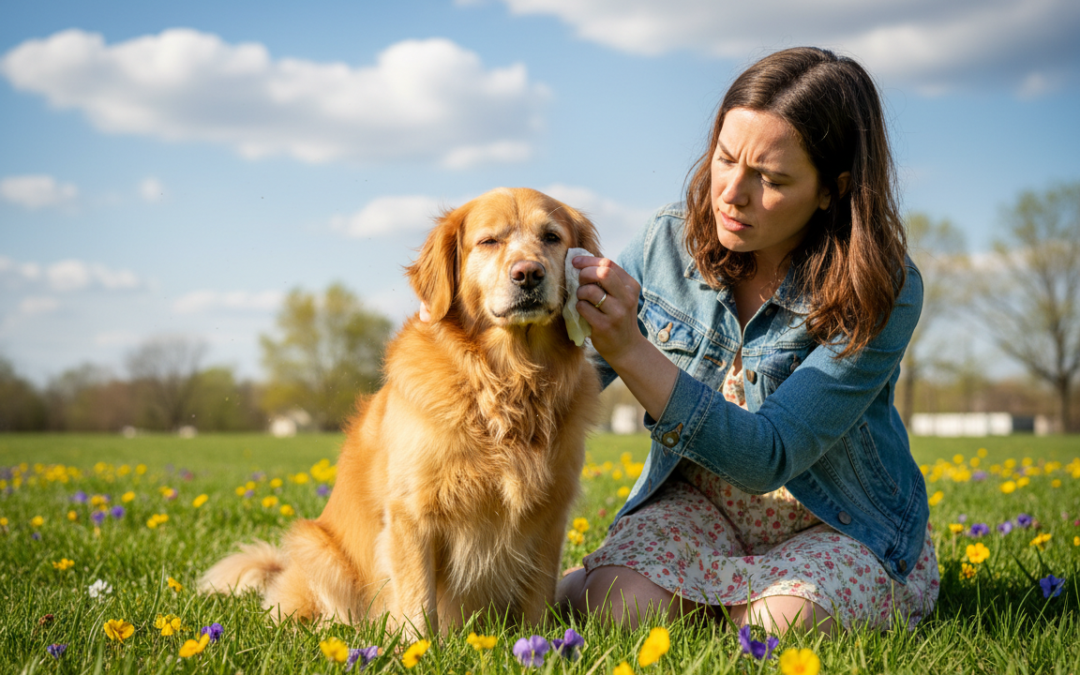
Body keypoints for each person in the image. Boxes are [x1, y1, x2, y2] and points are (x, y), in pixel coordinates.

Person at [556, 46, 939, 635]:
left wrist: (629, 347)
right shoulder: (665, 242)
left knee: (777, 624)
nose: (731, 193)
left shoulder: (881, 287)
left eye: (772, 179)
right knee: (618, 607)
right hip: (698, 508)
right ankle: (665, 593)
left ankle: (726, 604)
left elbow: (770, 456)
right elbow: (562, 371)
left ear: (832, 189)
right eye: (726, 158)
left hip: (837, 521)